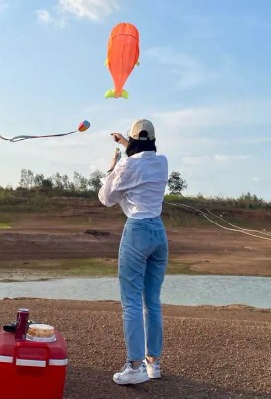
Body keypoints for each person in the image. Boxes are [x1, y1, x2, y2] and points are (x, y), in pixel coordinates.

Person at [97, 119, 169, 385]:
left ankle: (134, 366)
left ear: (134, 141)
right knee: (152, 301)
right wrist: (127, 143)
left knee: (131, 303)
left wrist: (112, 168)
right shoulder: (162, 162)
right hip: (158, 233)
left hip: (137, 231)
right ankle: (153, 363)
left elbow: (106, 198)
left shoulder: (126, 165)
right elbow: (143, 158)